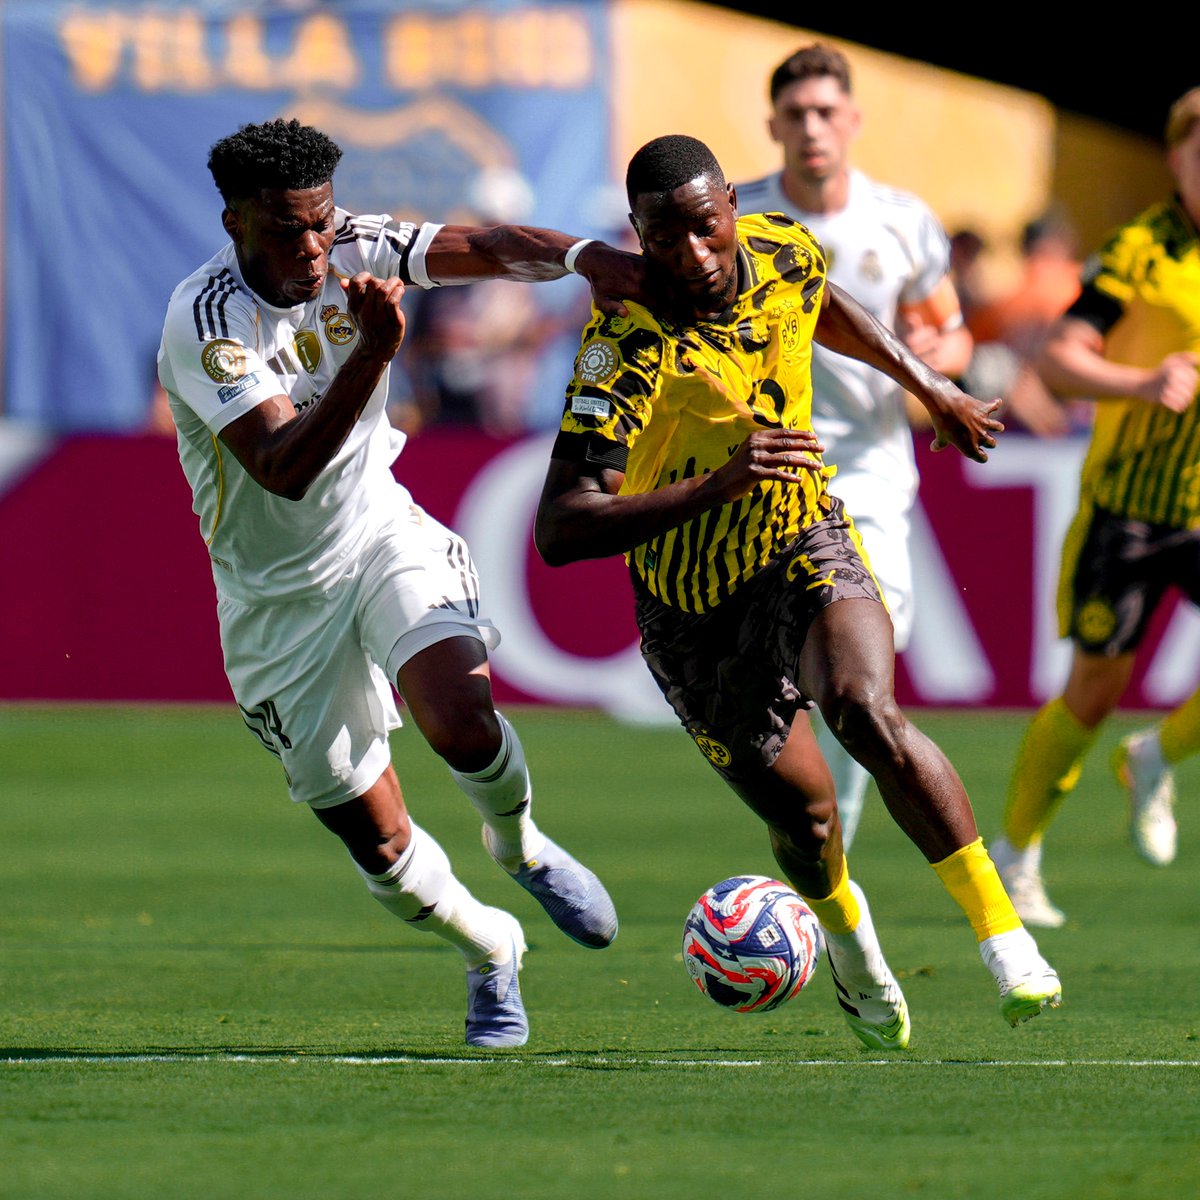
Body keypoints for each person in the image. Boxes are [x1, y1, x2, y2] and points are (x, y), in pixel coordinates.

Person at [534, 133, 1062, 1050]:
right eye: (665, 240)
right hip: (691, 610)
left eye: (705, 229)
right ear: (638, 235)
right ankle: (853, 945)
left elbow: (821, 302)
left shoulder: (781, 246)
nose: (692, 256)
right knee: (808, 821)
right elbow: (561, 526)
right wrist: (714, 485)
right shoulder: (622, 347)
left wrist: (930, 383)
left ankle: (1001, 934)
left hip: (799, 537)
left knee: (864, 706)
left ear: (732, 205)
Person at [156, 118, 638, 1049]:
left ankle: (521, 843)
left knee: (460, 718)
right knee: (377, 844)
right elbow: (280, 467)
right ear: (234, 223)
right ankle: (489, 948)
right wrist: (376, 352)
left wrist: (586, 256)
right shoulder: (204, 321)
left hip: (379, 532)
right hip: (275, 600)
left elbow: (488, 246)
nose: (309, 249)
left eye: (321, 224)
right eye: (284, 231)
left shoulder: (357, 245)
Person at [735, 44, 974, 848]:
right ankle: (811, 841)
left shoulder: (901, 221)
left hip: (868, 473)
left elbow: (951, 331)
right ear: (772, 124)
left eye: (826, 112)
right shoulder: (739, 222)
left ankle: (826, 849)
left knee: (861, 675)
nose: (812, 128)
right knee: (777, 687)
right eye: (796, 114)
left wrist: (935, 369)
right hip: (763, 471)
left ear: (853, 121)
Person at [993, 88, 1200, 927]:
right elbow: (1060, 361)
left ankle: (1156, 757)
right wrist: (1145, 383)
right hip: (1130, 507)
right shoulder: (1142, 250)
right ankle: (1016, 855)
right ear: (1177, 158)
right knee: (1092, 692)